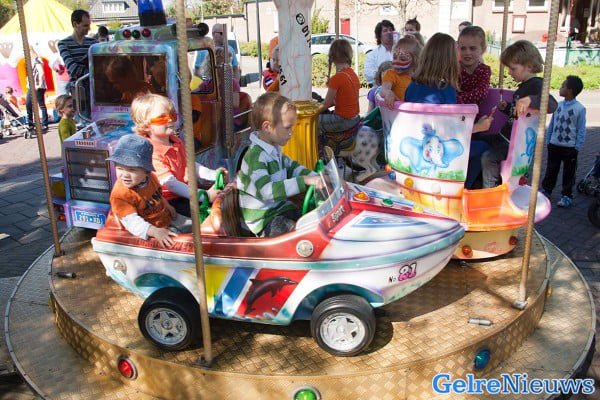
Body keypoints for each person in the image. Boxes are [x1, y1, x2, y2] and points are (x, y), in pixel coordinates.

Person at [237, 92, 322, 237]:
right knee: (302, 235)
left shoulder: (274, 149)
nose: (291, 133)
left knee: (313, 220)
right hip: (264, 219)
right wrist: (304, 181)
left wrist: (317, 178)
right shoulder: (255, 157)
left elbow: (293, 168)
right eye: (288, 128)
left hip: (279, 208)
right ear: (267, 127)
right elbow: (266, 191)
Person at [131, 94, 224, 217]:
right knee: (204, 216)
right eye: (162, 118)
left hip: (183, 192)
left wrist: (212, 174)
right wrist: (204, 195)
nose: (170, 120)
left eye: (172, 115)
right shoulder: (151, 151)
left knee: (221, 206)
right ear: (146, 126)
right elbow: (171, 184)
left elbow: (189, 165)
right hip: (167, 200)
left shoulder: (175, 141)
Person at [481, 40, 558, 188]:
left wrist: (530, 100)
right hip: (504, 136)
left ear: (529, 66)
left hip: (513, 143)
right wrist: (507, 107)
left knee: (488, 157)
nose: (510, 72)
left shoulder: (537, 84)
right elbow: (518, 113)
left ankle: (490, 191)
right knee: (477, 138)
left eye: (513, 68)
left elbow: (552, 104)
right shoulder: (523, 86)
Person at [107, 134, 191, 248]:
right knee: (184, 243)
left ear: (146, 171)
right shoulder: (120, 195)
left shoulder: (151, 178)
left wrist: (167, 206)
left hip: (164, 218)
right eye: (119, 168)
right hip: (149, 231)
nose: (125, 175)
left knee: (199, 228)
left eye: (132, 170)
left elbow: (158, 195)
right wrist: (154, 231)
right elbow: (132, 222)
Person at [541, 76, 586, 208]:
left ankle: (566, 196)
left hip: (569, 148)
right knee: (551, 170)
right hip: (554, 145)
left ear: (570, 90)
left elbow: (581, 129)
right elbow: (552, 124)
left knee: (569, 173)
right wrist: (549, 140)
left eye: (563, 86)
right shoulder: (558, 106)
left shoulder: (580, 109)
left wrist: (577, 147)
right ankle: (547, 191)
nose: (560, 88)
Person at [317, 39, 360, 136]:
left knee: (313, 121)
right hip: (355, 118)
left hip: (343, 120)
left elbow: (326, 104)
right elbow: (337, 101)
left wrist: (313, 111)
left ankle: (320, 145)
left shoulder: (337, 78)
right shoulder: (353, 74)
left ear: (332, 57)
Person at [57, 10, 97, 91]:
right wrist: (94, 73)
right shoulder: (63, 44)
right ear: (75, 24)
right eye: (85, 26)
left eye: (89, 25)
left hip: (94, 88)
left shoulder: (93, 43)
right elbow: (73, 69)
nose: (89, 28)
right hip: (78, 90)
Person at [380, 36, 422, 109]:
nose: (396, 62)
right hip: (397, 114)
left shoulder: (419, 77)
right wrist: (388, 92)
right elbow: (384, 89)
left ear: (415, 61)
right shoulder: (391, 74)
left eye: (403, 59)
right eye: (394, 57)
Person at [457, 26, 491, 111]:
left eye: (472, 48)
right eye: (463, 48)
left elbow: (481, 93)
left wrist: (456, 99)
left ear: (483, 49)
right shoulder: (455, 68)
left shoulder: (484, 70)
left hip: (474, 114)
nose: (467, 52)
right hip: (453, 113)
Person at [364, 20, 395, 87]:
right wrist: (381, 73)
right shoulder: (372, 55)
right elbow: (368, 73)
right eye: (385, 30)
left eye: (391, 30)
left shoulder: (401, 51)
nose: (389, 32)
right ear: (379, 35)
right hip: (380, 89)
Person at [26, 47, 49, 130]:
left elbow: (41, 72)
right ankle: (30, 124)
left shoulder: (36, 59)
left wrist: (39, 84)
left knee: (41, 104)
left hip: (37, 86)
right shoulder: (30, 60)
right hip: (31, 86)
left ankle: (44, 123)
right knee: (28, 104)